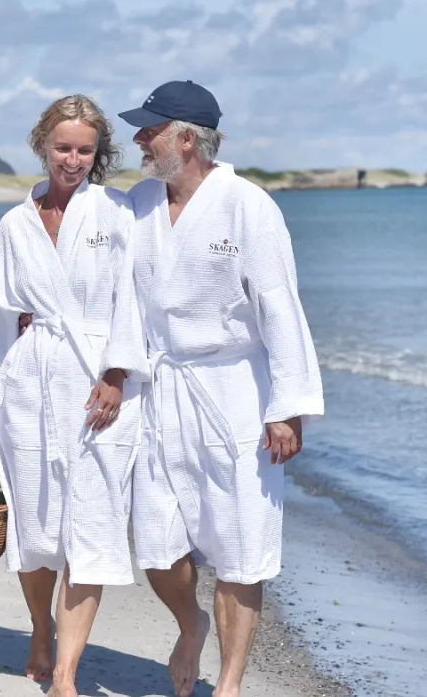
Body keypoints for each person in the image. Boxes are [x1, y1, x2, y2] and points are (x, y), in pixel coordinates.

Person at [115, 80, 323, 697]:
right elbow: (112, 291)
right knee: (155, 543)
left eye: (149, 129)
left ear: (187, 138)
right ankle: (189, 623)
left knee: (240, 545)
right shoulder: (140, 205)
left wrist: (288, 409)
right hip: (163, 387)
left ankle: (229, 685)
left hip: (235, 392)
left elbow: (279, 306)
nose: (138, 139)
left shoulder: (248, 206)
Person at [0, 95, 144, 696]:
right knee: (35, 524)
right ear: (43, 146)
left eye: (85, 150)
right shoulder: (15, 224)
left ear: (98, 153)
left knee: (91, 521)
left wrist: (117, 372)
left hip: (97, 382)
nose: (74, 159)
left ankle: (66, 670)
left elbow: (133, 298)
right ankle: (41, 629)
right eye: (63, 147)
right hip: (31, 380)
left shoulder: (115, 213)